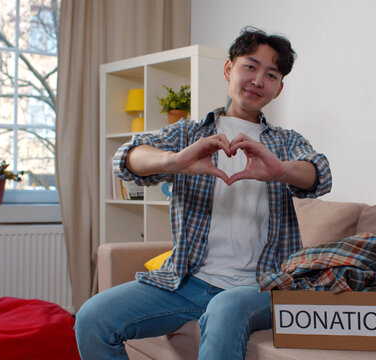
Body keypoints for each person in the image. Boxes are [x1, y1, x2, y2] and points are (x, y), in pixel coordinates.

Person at [74, 27, 332, 360]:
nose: (257, 80)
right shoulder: (190, 134)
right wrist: (176, 161)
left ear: (278, 88)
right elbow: (126, 158)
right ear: (229, 69)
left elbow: (319, 173)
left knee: (226, 305)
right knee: (92, 319)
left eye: (271, 74)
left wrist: (279, 170)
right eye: (249, 67)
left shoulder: (285, 141)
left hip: (263, 287)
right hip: (187, 282)